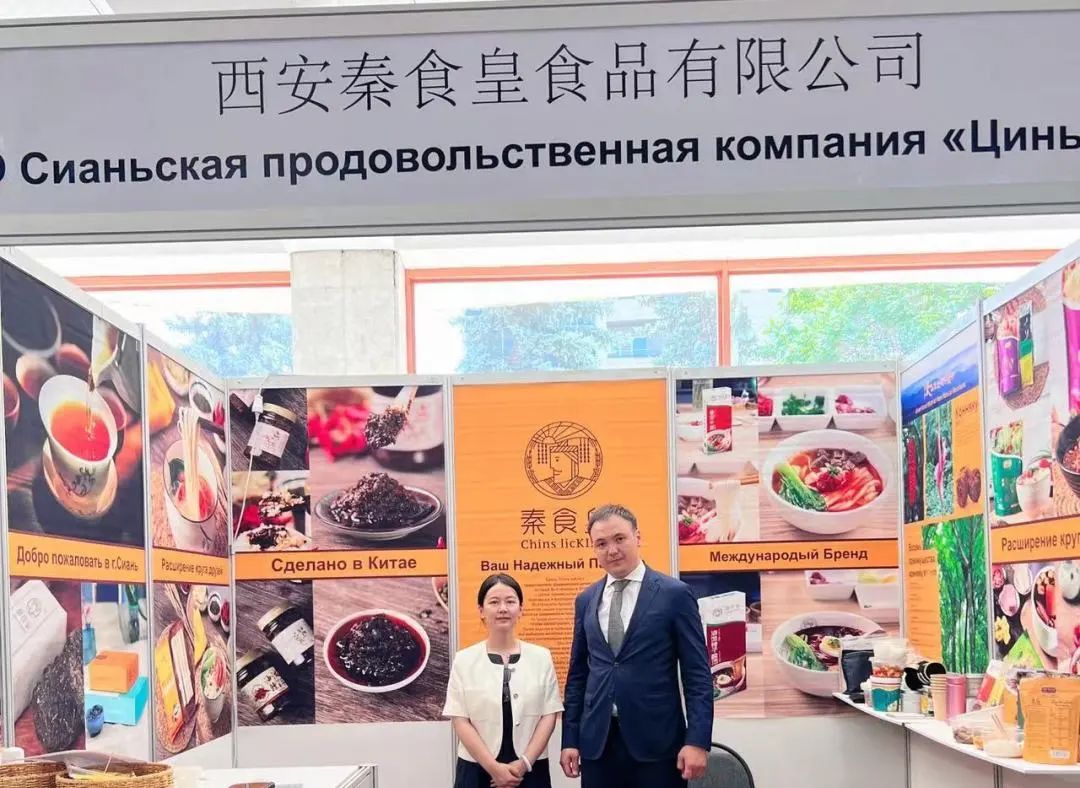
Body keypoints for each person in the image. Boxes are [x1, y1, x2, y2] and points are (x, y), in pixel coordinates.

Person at [560, 504, 713, 788]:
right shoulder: (586, 600)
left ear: (638, 537)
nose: (612, 550)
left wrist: (697, 740)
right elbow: (578, 675)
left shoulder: (674, 595)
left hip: (657, 745)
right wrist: (569, 738)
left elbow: (698, 675)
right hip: (598, 746)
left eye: (620, 538)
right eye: (601, 544)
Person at [445, 573, 563, 788]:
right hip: (476, 768)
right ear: (481, 610)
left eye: (510, 601)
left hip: (529, 769)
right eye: (494, 602)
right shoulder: (464, 660)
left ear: (520, 609)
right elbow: (460, 719)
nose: (502, 609)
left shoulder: (541, 657)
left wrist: (524, 763)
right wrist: (493, 767)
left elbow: (549, 715)